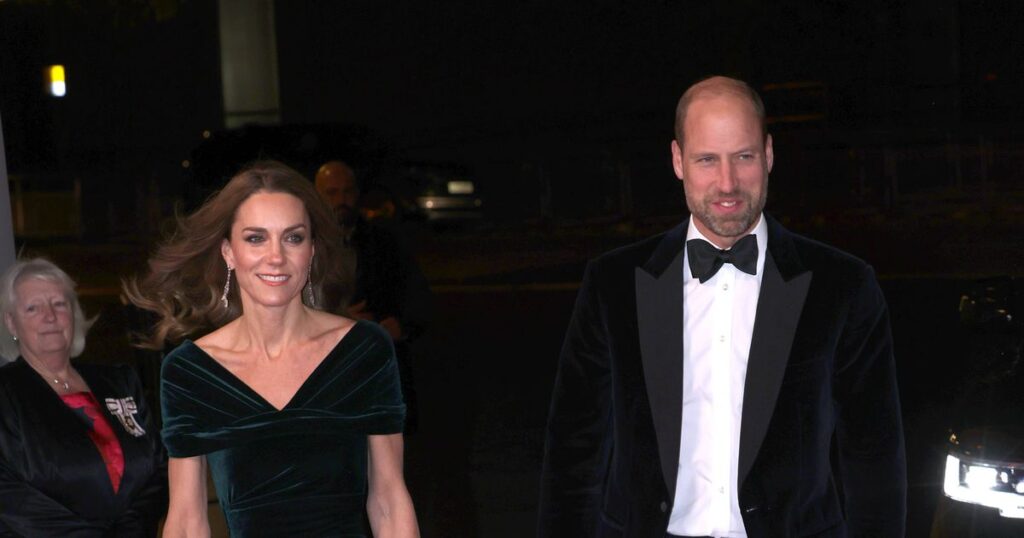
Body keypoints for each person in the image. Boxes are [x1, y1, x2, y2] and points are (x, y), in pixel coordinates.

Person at [538, 76, 906, 537]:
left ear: (769, 154)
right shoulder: (612, 284)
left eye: (744, 157)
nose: (727, 182)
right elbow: (574, 450)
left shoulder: (844, 285)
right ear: (678, 160)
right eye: (707, 159)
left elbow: (873, 456)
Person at [124, 160, 419, 537]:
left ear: (312, 250)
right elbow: (185, 521)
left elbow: (389, 502)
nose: (276, 256)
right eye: (256, 238)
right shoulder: (191, 371)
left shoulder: (363, 351)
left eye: (293, 237)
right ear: (229, 252)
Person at [0, 258, 167, 536]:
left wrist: (130, 530)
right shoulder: (6, 394)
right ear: (12, 324)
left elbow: (160, 468)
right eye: (33, 308)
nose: (50, 316)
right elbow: (9, 495)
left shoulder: (119, 381)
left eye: (59, 303)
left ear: (74, 313)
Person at [315, 160, 432, 433]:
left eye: (347, 192)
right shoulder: (303, 245)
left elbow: (416, 293)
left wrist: (402, 325)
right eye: (331, 193)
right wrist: (338, 320)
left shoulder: (384, 242)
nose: (341, 200)